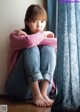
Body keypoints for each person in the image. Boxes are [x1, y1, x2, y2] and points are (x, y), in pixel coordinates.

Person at [6, 4, 57, 107]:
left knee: (49, 49)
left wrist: (36, 37)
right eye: (34, 21)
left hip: (44, 89)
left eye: (42, 21)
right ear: (27, 22)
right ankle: (36, 94)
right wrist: (42, 34)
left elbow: (56, 43)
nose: (39, 26)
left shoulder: (45, 37)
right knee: (32, 48)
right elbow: (29, 42)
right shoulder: (16, 35)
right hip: (19, 88)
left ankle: (42, 93)